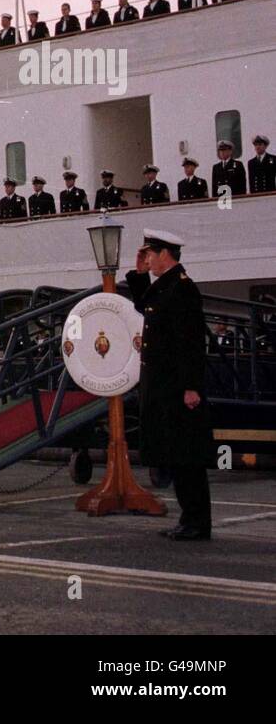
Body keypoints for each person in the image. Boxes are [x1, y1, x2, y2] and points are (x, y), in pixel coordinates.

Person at [126, 230, 211, 540]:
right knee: (177, 454)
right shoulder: (167, 286)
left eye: (150, 253)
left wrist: (191, 386)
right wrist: (138, 274)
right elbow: (144, 305)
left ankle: (197, 522)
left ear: (165, 254)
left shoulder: (183, 288)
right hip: (164, 386)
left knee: (188, 456)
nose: (147, 258)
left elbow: (191, 342)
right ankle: (189, 519)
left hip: (178, 387)